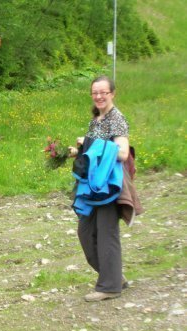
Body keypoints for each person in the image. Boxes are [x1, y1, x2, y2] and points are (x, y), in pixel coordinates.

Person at [69, 75, 130, 302]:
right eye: (95, 92)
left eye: (103, 92)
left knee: (106, 235)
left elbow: (122, 152)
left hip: (108, 187)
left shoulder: (117, 119)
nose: (99, 96)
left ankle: (110, 287)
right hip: (92, 186)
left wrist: (90, 144)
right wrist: (76, 151)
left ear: (112, 93)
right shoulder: (96, 120)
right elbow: (92, 153)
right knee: (85, 233)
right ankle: (114, 276)